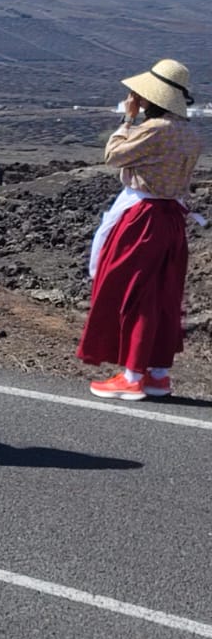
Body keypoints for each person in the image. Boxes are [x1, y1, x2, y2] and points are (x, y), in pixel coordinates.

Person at [79, 59, 202, 401]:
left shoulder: (154, 129)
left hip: (143, 218)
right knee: (163, 296)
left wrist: (128, 119)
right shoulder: (190, 133)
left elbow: (113, 155)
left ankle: (132, 375)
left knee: (133, 293)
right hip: (172, 219)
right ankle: (157, 374)